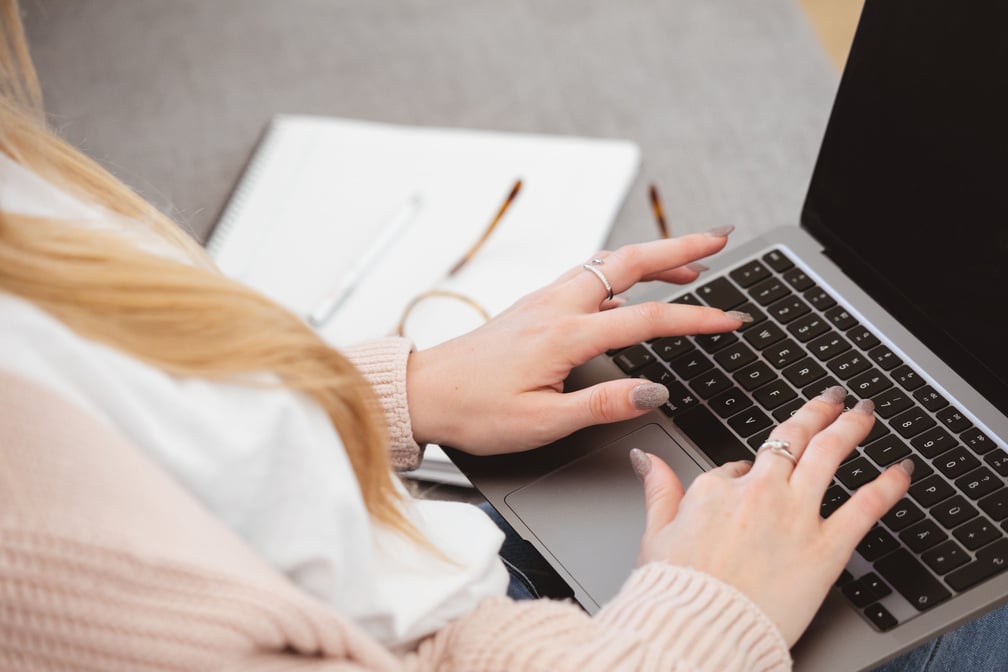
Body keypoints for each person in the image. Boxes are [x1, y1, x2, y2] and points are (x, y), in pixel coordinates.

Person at [2, 3, 1006, 670]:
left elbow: (150, 440)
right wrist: (706, 613)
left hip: (450, 569)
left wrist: (404, 394)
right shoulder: (35, 565)